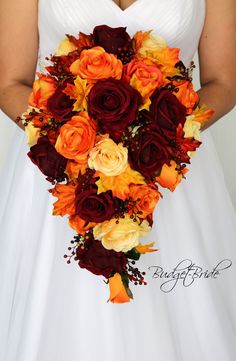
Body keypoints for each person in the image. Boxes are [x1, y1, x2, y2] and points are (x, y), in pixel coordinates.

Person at [0, 0, 236, 360]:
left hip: (168, 170)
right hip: (60, 174)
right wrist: (75, 141)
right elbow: (9, 84)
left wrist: (155, 136)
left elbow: (224, 83)